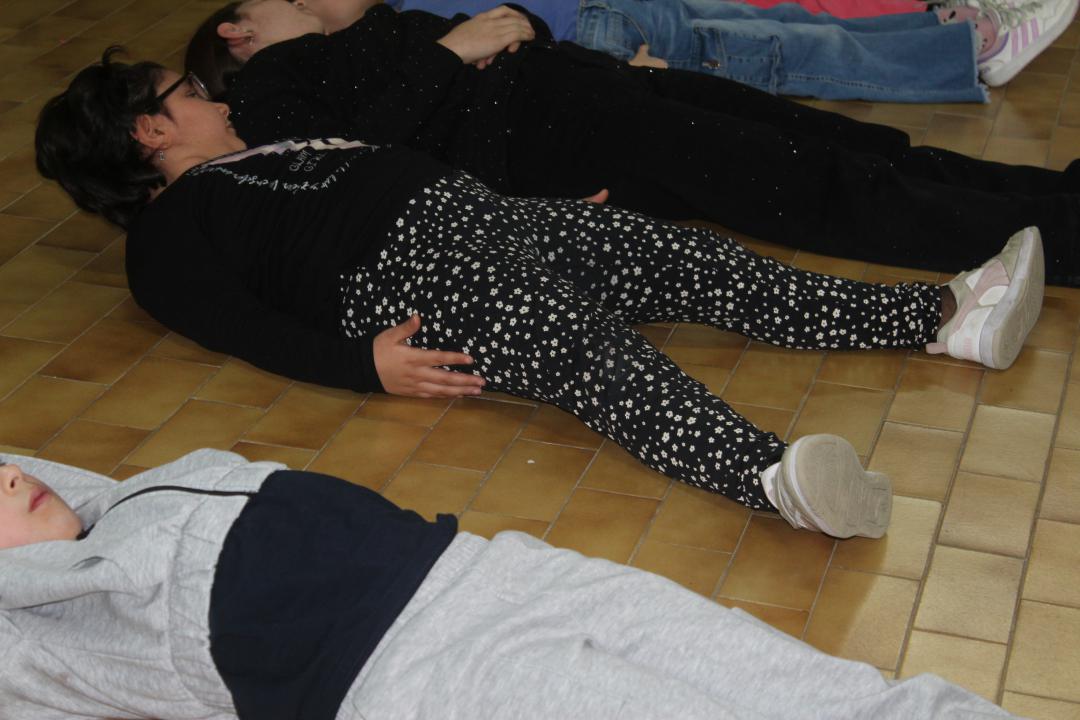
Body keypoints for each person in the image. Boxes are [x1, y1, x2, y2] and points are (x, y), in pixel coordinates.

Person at [36, 51, 1045, 539]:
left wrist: (529, 209)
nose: (212, 96)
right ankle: (774, 479)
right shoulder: (166, 239)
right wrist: (362, 365)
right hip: (406, 280)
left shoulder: (263, 148)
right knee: (586, 352)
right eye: (187, 94)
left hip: (481, 216)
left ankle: (938, 319)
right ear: (148, 133)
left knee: (691, 260)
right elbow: (240, 326)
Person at [0, 450, 1021, 719]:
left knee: (832, 696)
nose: (9, 475)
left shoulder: (139, 492)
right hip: (432, 684)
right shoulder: (52, 629)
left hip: (501, 572)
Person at [185, 0, 1080, 287]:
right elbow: (357, 160)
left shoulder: (365, 35)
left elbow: (510, 30)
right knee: (824, 187)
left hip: (602, 94)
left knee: (852, 146)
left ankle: (1057, 198)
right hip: (570, 140)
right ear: (237, 31)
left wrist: (512, 28)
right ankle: (1061, 240)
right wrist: (452, 51)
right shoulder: (267, 93)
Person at [324, 0, 1076, 97]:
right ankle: (969, 57)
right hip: (609, 39)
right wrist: (615, 72)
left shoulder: (398, 14)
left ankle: (942, 28)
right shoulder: (393, 39)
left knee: (788, 24)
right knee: (792, 54)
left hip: (617, 11)